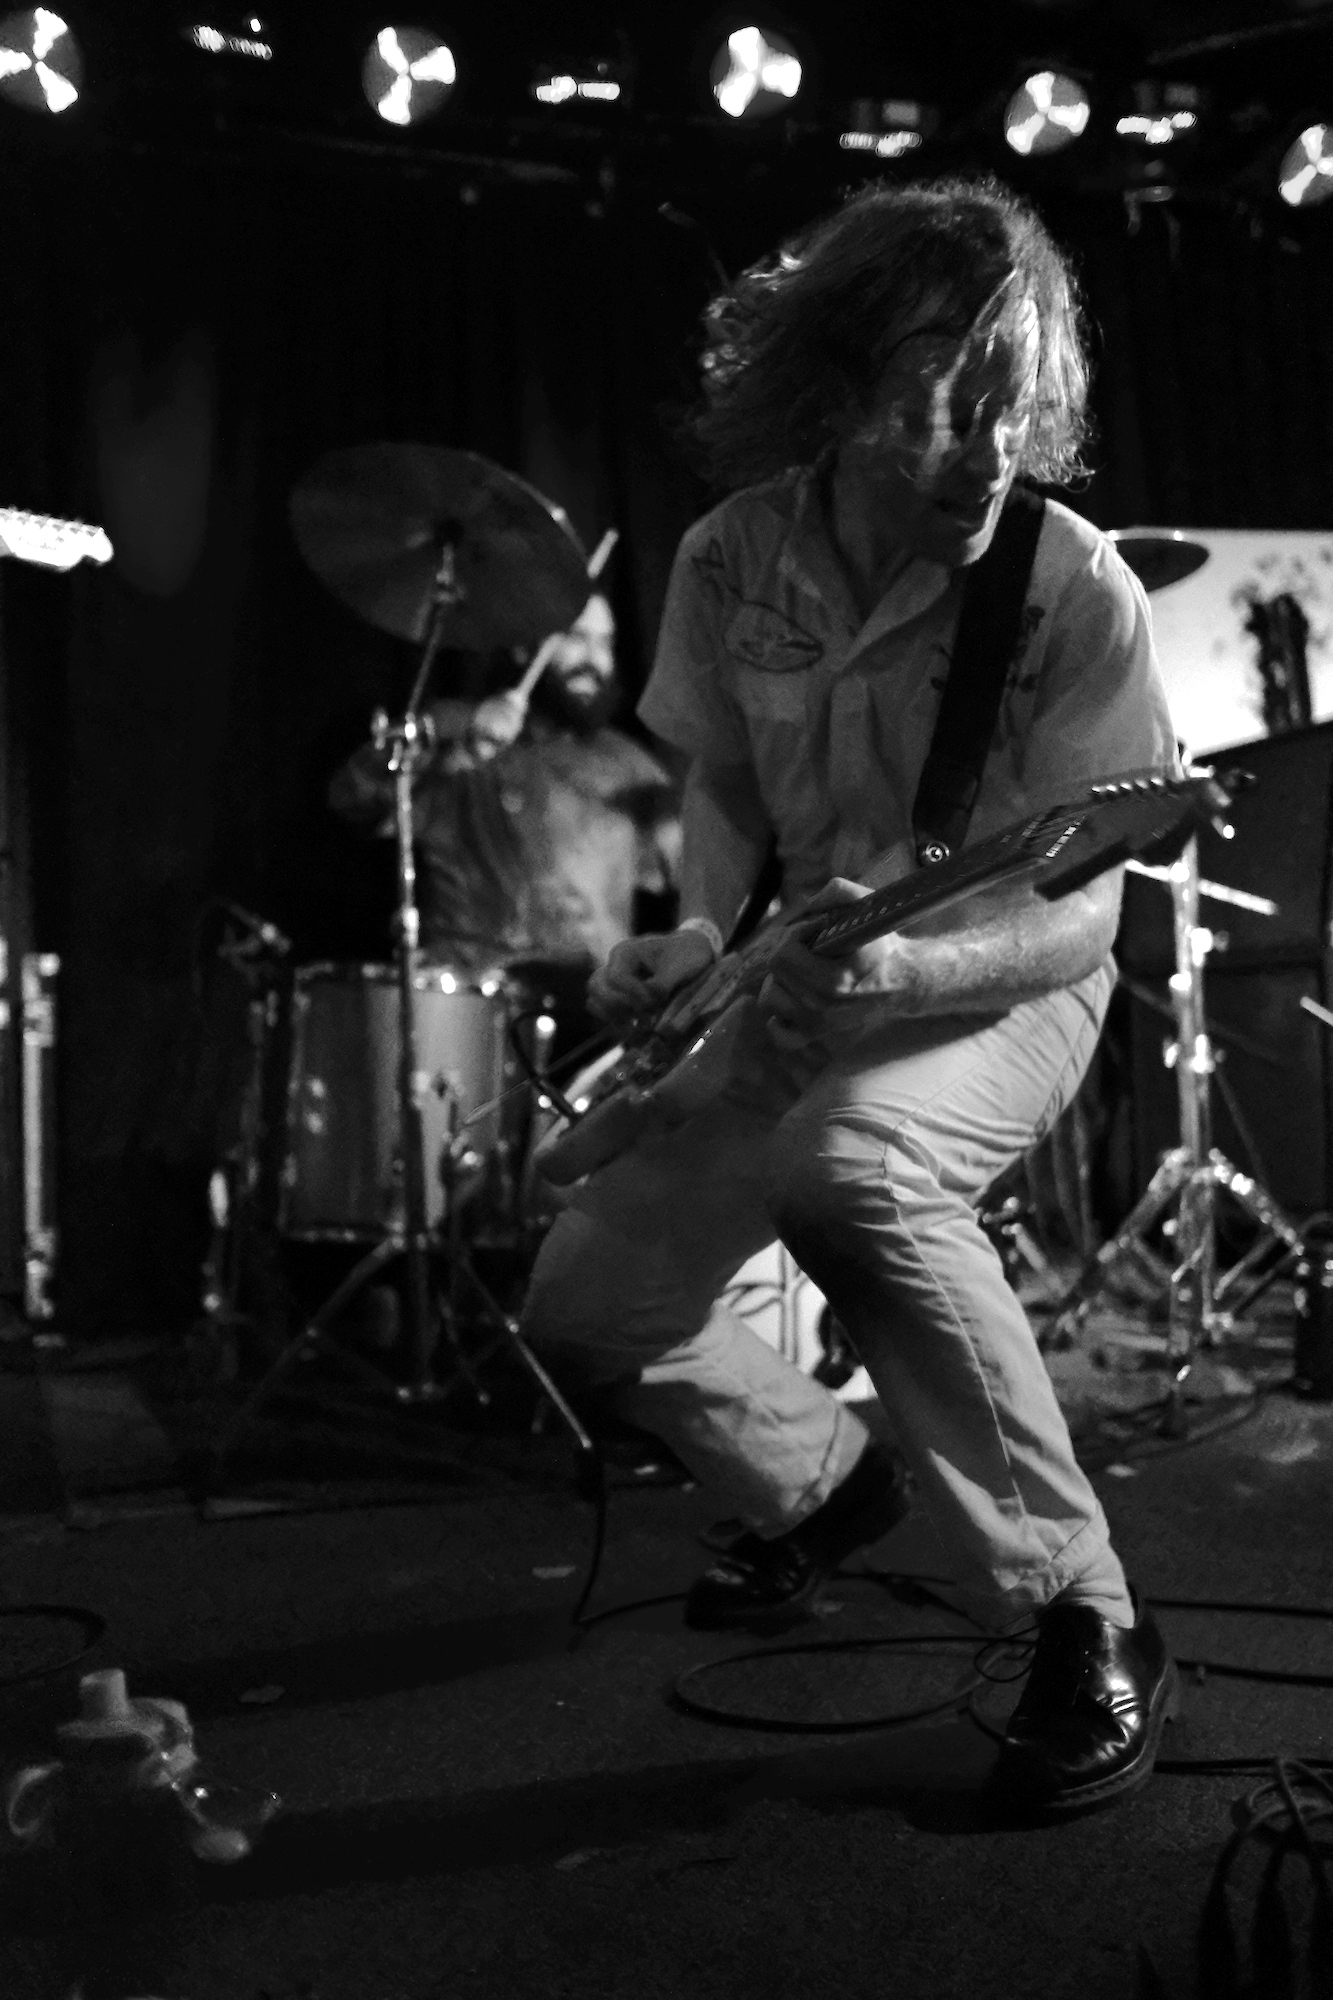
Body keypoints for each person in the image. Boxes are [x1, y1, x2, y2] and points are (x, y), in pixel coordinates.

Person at [521, 178, 1182, 1817]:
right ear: (826, 386)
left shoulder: (1069, 587)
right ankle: (822, 1485)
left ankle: (1085, 1608)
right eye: (934, 399)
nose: (982, 447)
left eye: (1010, 398)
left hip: (1003, 979)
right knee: (586, 1301)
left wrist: (913, 968)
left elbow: (1086, 906)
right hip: (811, 967)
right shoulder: (728, 558)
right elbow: (727, 788)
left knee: (851, 1169)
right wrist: (698, 934)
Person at [328, 592, 679, 1009]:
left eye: (606, 642)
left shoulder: (629, 764)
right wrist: (460, 745)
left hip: (595, 1011)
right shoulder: (460, 733)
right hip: (473, 1004)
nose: (594, 658)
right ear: (524, 648)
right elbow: (352, 800)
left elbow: (699, 872)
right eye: (576, 637)